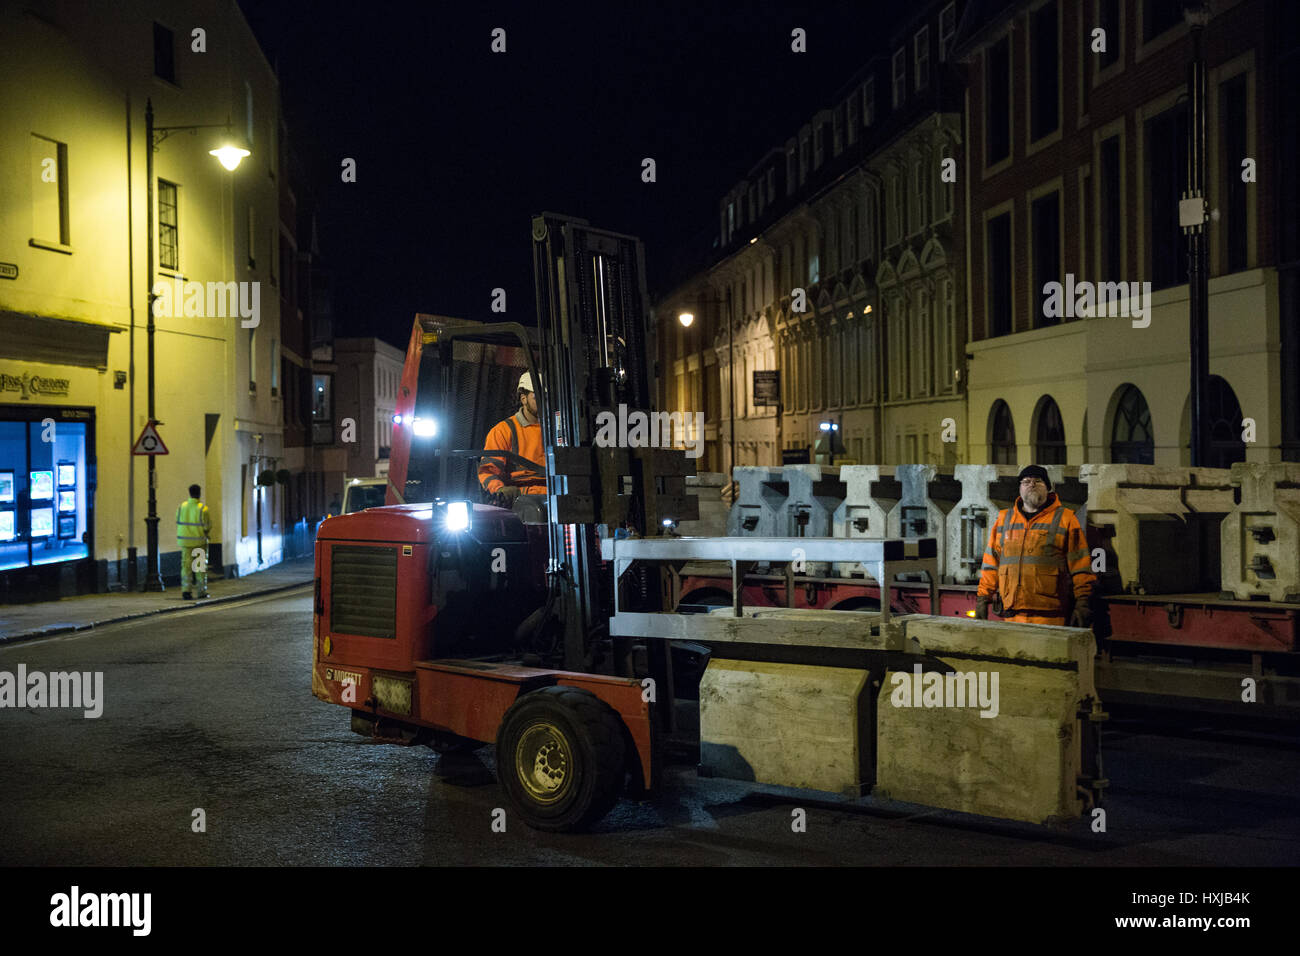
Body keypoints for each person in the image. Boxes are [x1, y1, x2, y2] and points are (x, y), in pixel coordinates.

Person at [976, 465, 1095, 627]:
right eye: (1026, 481)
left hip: (1051, 616)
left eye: (1038, 481)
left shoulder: (1066, 518)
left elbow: (1080, 565)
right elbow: (991, 563)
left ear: (1048, 488)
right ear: (1019, 489)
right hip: (1012, 615)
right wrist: (983, 597)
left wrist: (1083, 602)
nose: (1031, 484)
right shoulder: (1004, 519)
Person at [478, 371, 547, 504]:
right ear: (523, 398)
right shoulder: (503, 431)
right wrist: (501, 491)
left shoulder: (559, 429)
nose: (543, 401)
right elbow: (488, 470)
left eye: (545, 396)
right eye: (537, 396)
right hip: (522, 500)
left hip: (557, 495)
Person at [176, 483, 212, 600]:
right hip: (199, 542)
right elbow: (207, 526)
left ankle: (186, 591)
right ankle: (201, 591)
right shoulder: (203, 509)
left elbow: (177, 521)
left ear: (189, 493)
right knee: (200, 568)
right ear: (199, 494)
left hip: (185, 543)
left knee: (186, 567)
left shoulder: (181, 507)